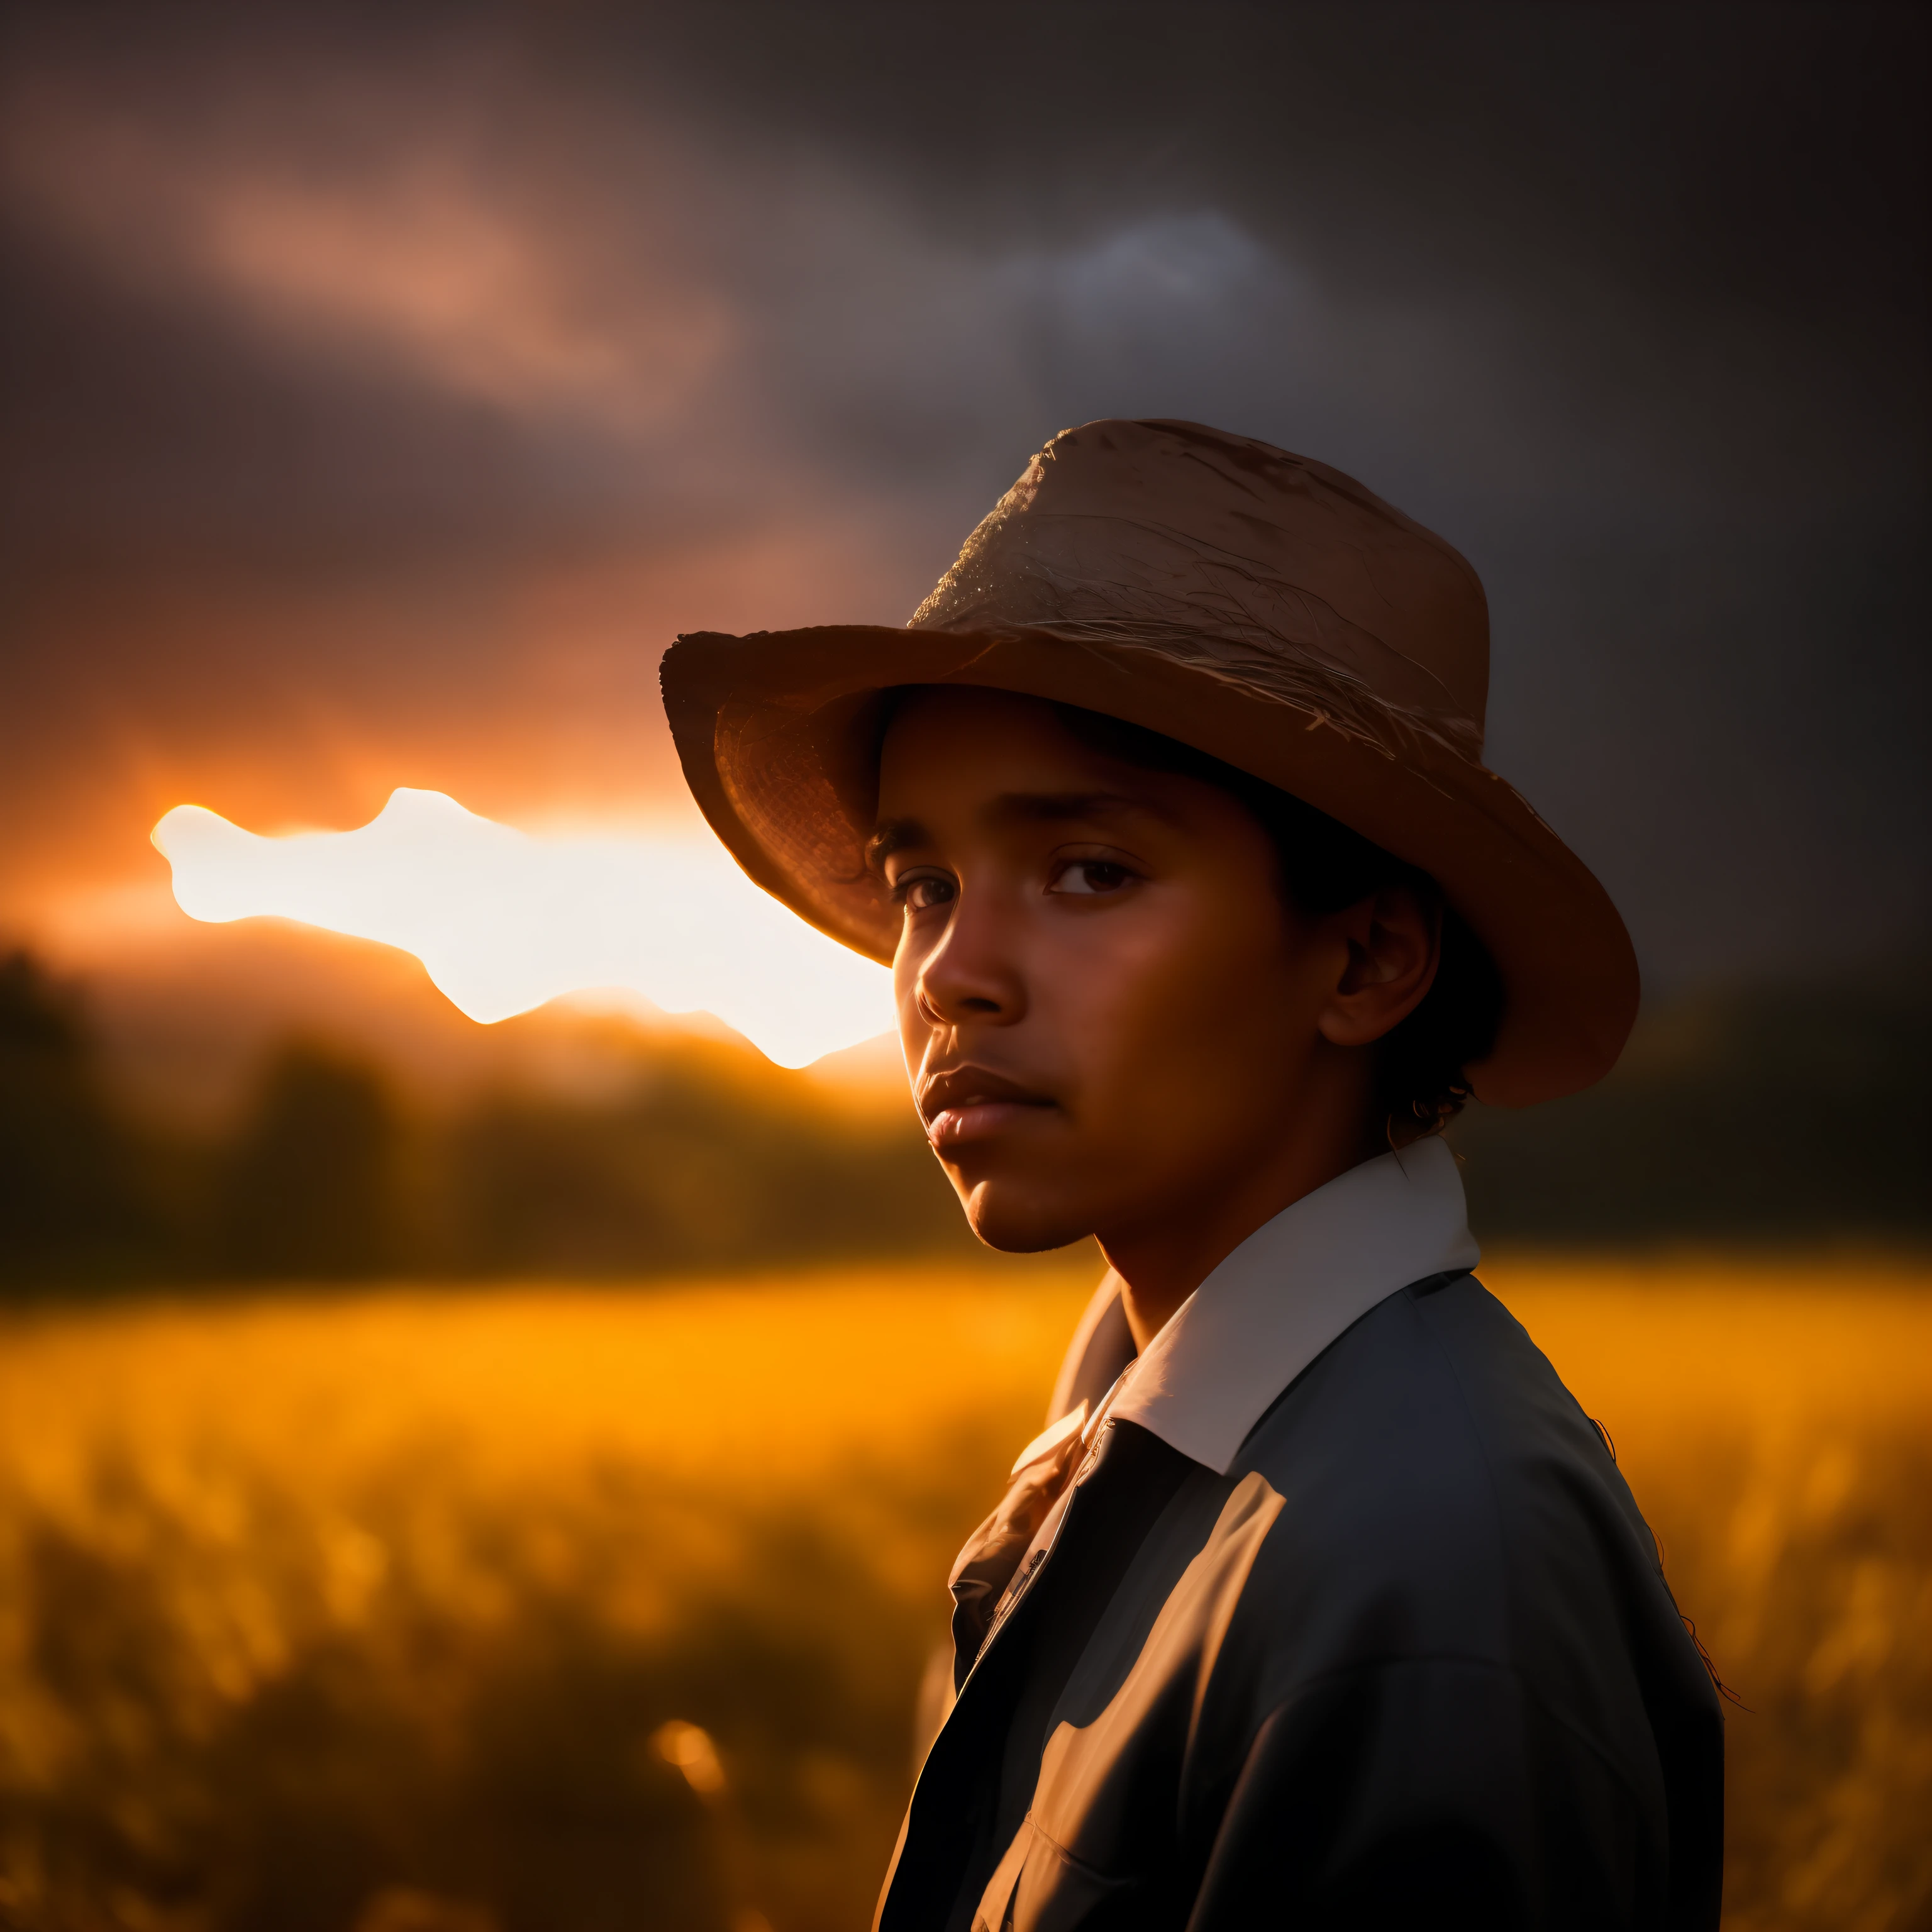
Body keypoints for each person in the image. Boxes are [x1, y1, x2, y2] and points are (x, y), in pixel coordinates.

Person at [661, 419, 1723, 1929]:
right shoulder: (1135, 1407)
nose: (954, 973)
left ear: (1365, 956)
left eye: (1090, 870)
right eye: (924, 886)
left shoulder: (1426, 1567)